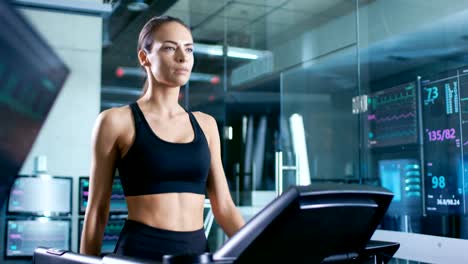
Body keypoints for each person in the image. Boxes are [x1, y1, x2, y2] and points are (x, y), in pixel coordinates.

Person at [80, 15, 245, 261]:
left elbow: (224, 207)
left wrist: (265, 252)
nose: (182, 57)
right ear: (144, 57)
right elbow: (97, 211)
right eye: (169, 48)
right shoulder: (116, 121)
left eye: (188, 49)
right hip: (141, 254)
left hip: (197, 254)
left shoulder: (206, 124)